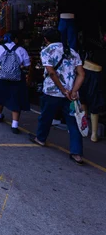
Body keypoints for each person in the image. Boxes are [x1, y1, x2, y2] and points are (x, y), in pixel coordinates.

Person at [30, 28, 85, 165]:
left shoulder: (47, 51)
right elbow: (81, 74)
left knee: (46, 117)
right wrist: (73, 91)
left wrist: (63, 90)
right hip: (71, 95)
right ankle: (76, 153)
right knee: (73, 123)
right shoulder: (72, 52)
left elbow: (52, 73)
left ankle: (41, 139)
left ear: (46, 39)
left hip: (52, 92)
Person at [0, 32, 30, 134]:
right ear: (15, 39)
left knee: (0, 96)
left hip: (1, 77)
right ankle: (14, 125)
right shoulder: (21, 50)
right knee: (15, 99)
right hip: (17, 79)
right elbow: (27, 64)